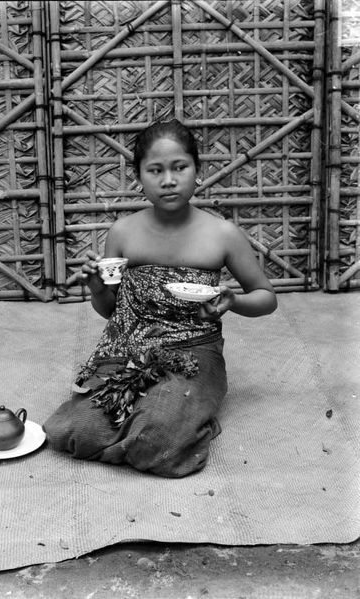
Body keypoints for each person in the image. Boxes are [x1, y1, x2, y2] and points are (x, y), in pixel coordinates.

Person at [44, 118, 277, 478]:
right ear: (139, 177)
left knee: (157, 437)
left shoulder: (222, 234)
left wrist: (235, 302)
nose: (168, 180)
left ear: (198, 171)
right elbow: (111, 312)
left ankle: (176, 420)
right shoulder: (123, 233)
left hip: (193, 350)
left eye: (179, 167)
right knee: (69, 431)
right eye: (155, 170)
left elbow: (266, 298)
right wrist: (96, 288)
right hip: (125, 347)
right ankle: (161, 425)